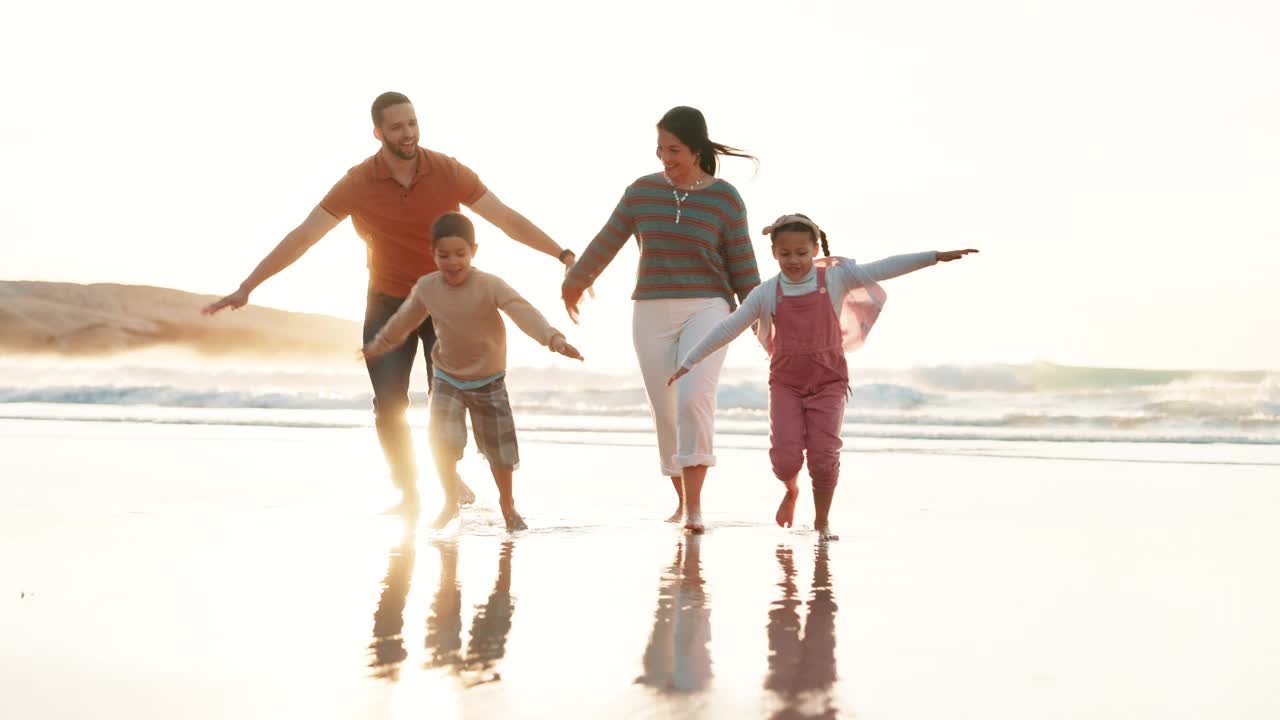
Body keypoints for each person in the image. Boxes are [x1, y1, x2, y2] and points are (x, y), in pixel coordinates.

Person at [203, 92, 577, 512]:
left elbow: (506, 218)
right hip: (387, 304)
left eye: (413, 123)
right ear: (378, 133)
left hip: (446, 304)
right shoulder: (358, 183)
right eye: (397, 126)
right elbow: (304, 236)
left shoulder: (447, 170)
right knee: (389, 403)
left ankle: (448, 478)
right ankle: (409, 493)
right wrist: (248, 286)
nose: (408, 133)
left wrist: (561, 254)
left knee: (447, 398)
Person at [668, 213, 977, 539]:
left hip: (829, 382)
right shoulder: (766, 292)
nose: (793, 260)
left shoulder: (834, 279)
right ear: (774, 252)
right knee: (785, 460)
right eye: (785, 254)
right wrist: (690, 361)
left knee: (823, 456)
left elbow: (885, 267)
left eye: (801, 253)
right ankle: (791, 490)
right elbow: (729, 327)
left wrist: (934, 257)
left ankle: (821, 521)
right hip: (786, 383)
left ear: (815, 249)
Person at [561, 106, 760, 533]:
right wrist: (575, 281)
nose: (664, 158)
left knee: (692, 398)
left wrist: (763, 319)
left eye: (674, 150)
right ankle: (682, 500)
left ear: (697, 149)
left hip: (709, 307)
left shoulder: (725, 198)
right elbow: (608, 238)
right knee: (665, 410)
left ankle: (695, 509)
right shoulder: (641, 192)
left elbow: (743, 265)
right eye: (660, 149)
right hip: (650, 308)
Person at [363, 213, 583, 530]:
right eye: (443, 255)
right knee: (441, 441)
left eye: (460, 254)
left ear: (473, 251)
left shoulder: (489, 285)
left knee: (499, 451)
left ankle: (508, 505)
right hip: (447, 378)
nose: (452, 262)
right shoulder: (427, 287)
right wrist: (380, 343)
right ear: (433, 254)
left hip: (489, 380)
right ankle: (450, 502)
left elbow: (523, 312)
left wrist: (554, 339)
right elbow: (404, 319)